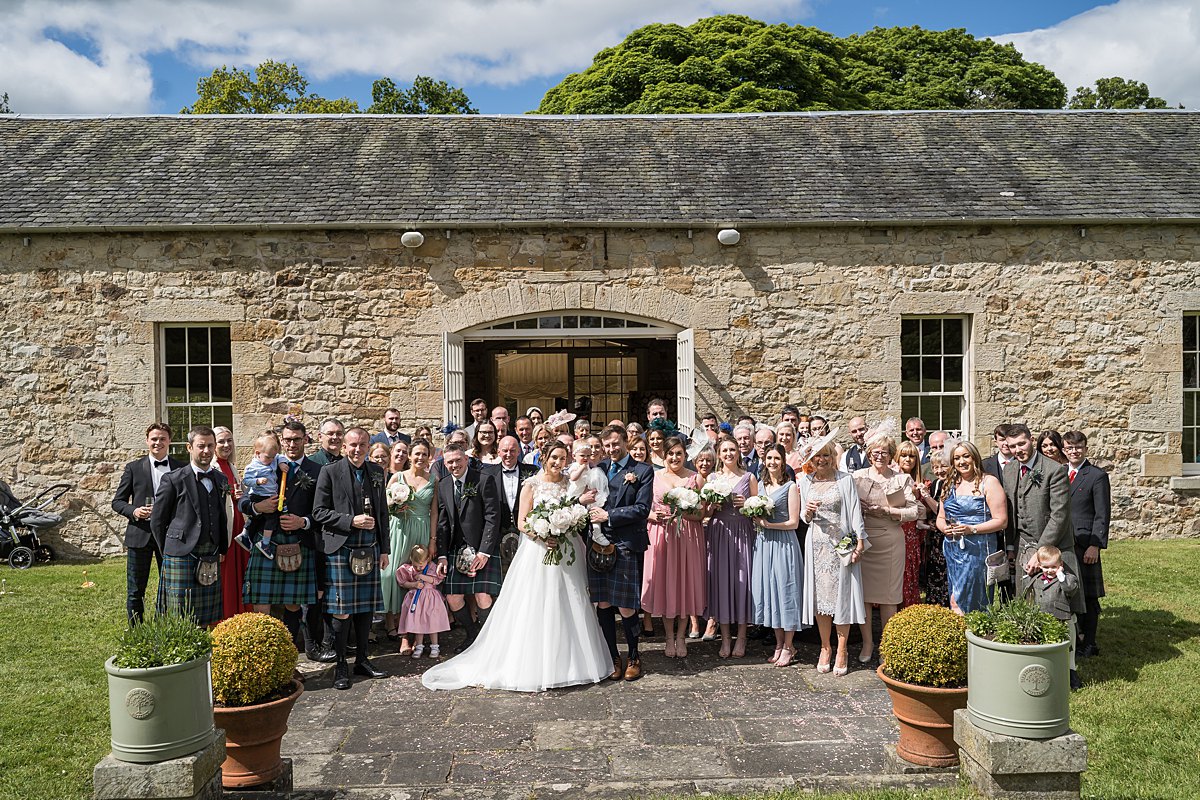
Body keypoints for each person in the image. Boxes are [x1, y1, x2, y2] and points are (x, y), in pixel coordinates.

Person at [422, 440, 613, 692]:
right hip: (538, 551)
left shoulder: (569, 483)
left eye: (562, 457)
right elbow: (522, 522)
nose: (558, 462)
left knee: (571, 602)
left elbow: (575, 511)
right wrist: (543, 533)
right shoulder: (532, 484)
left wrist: (569, 521)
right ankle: (536, 664)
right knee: (537, 605)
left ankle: (571, 664)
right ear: (544, 457)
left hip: (566, 550)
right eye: (553, 457)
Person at [313, 426, 391, 690]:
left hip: (369, 547)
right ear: (344, 447)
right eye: (353, 445)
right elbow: (319, 512)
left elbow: (383, 514)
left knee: (367, 607)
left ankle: (362, 660)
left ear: (369, 446)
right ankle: (341, 666)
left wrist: (384, 549)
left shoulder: (377, 472)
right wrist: (350, 520)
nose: (358, 450)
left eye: (363, 445)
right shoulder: (330, 472)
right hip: (341, 548)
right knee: (342, 611)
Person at [240, 420, 324, 661]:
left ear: (306, 440)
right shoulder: (266, 461)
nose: (291, 444)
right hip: (264, 541)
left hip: (298, 542)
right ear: (281, 441)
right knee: (261, 603)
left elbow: (322, 511)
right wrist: (257, 506)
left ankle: (288, 659)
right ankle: (264, 659)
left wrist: (303, 522)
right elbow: (243, 501)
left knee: (294, 605)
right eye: (287, 439)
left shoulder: (317, 471)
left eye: (297, 439)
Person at [588, 424, 655, 681]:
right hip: (598, 544)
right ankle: (613, 657)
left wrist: (610, 515)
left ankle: (635, 655)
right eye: (607, 446)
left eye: (615, 444)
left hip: (626, 544)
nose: (611, 449)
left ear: (625, 442)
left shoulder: (642, 470)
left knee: (627, 606)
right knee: (603, 602)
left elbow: (641, 508)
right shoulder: (599, 469)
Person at [1002, 424, 1084, 623]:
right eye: (1012, 446)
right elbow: (1012, 510)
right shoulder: (1010, 469)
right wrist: (1011, 546)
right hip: (1022, 543)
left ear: (1031, 440)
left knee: (1057, 601)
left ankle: (1065, 647)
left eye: (1022, 443)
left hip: (1053, 546)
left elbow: (1059, 515)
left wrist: (1041, 553)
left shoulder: (1054, 469)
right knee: (1026, 598)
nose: (1017, 450)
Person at [799, 441, 867, 676]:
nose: (822, 460)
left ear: (833, 457)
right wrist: (807, 511)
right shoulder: (805, 480)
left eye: (826, 455)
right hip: (816, 545)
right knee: (821, 599)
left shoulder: (845, 480)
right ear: (811, 460)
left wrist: (859, 542)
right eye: (817, 456)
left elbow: (856, 512)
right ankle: (825, 647)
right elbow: (803, 517)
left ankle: (842, 649)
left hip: (841, 544)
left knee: (842, 598)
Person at [150, 426, 229, 627]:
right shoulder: (173, 479)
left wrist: (221, 547)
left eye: (210, 445)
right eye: (201, 446)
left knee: (207, 617)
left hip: (210, 552)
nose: (206, 451)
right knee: (179, 615)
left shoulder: (221, 479)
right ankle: (177, 654)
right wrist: (169, 551)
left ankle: (203, 655)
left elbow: (221, 516)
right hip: (180, 553)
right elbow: (157, 520)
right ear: (189, 447)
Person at [853, 430, 919, 662]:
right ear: (869, 454)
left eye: (884, 452)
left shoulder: (901, 479)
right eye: (875, 452)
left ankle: (886, 645)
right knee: (863, 597)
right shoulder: (857, 477)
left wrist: (888, 511)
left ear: (891, 455)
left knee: (889, 597)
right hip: (864, 542)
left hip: (891, 540)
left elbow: (914, 511)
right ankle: (867, 643)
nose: (879, 456)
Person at [113, 422, 184, 624]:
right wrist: (134, 511)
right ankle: (136, 631)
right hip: (140, 534)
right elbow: (117, 502)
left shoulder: (181, 468)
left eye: (162, 438)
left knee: (170, 587)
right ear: (147, 441)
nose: (158, 442)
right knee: (136, 589)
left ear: (169, 441)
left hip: (171, 537)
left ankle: (164, 626)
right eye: (154, 439)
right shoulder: (134, 468)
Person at [642, 436, 706, 659]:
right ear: (664, 455)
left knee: (684, 585)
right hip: (661, 534)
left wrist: (684, 512)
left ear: (685, 455)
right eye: (671, 454)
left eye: (679, 453)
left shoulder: (695, 478)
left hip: (688, 536)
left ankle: (681, 635)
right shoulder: (654, 476)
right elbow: (643, 508)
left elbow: (701, 514)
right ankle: (668, 636)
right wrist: (653, 515)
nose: (675, 457)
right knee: (666, 585)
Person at [435, 444, 502, 654]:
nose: (454, 465)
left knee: (483, 596)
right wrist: (443, 555)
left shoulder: (483, 480)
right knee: (453, 597)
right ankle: (472, 635)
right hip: (456, 549)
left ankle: (488, 638)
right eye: (450, 462)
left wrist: (484, 551)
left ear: (466, 459)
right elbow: (443, 523)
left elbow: (493, 518)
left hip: (482, 547)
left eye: (458, 460)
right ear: (444, 464)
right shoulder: (444, 484)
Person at [938, 441, 1008, 614]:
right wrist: (943, 528)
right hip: (953, 548)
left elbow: (1001, 520)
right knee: (954, 596)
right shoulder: (949, 483)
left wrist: (972, 529)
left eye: (965, 456)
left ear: (974, 457)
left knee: (973, 596)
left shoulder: (989, 482)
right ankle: (959, 635)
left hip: (977, 550)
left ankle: (976, 633)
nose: (961, 461)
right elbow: (940, 517)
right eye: (957, 458)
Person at [382, 439, 438, 654]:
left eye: (424, 454)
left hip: (421, 532)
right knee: (394, 578)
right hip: (399, 530)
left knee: (417, 579)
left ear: (429, 456)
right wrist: (395, 505)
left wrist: (432, 540)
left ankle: (415, 635)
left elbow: (434, 512)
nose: (420, 458)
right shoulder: (397, 477)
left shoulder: (433, 480)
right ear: (409, 455)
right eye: (417, 454)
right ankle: (399, 631)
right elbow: (384, 507)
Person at [752, 445, 806, 667]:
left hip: (784, 544)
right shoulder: (761, 487)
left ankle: (789, 646)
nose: (772, 462)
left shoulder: (791, 486)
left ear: (783, 462)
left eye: (776, 458)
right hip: (764, 544)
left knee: (786, 591)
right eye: (769, 458)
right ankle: (778, 642)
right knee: (770, 592)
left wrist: (768, 524)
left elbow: (794, 522)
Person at [707, 436, 758, 659]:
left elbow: (759, 511)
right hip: (719, 533)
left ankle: (742, 636)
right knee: (722, 583)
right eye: (724, 450)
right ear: (719, 454)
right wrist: (711, 505)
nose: (729, 454)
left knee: (742, 582)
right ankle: (726, 637)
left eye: (732, 450)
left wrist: (746, 505)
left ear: (738, 452)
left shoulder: (749, 477)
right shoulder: (712, 477)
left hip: (743, 533)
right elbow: (705, 512)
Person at [1063, 431, 1109, 659]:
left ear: (1085, 448)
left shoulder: (1096, 476)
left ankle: (1089, 643)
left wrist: (1095, 545)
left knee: (1089, 596)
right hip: (1064, 542)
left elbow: (1102, 514)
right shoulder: (1060, 473)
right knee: (1069, 591)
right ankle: (1073, 638)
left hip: (1085, 544)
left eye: (1078, 447)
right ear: (1064, 450)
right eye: (1070, 448)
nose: (1074, 451)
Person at [484, 435, 538, 577]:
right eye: (505, 450)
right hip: (498, 531)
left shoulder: (533, 472)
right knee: (501, 576)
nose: (509, 454)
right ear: (499, 452)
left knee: (526, 573)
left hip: (526, 531)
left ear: (519, 451)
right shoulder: (486, 473)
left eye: (512, 450)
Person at [1029, 545, 1082, 690]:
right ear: (1040, 565)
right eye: (1046, 567)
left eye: (1054, 566)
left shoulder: (1067, 579)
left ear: (1061, 565)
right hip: (1043, 619)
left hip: (1062, 620)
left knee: (1067, 648)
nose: (1050, 570)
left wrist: (1060, 575)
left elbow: (1070, 589)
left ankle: (1071, 675)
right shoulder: (1037, 579)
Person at [233, 432, 289, 559]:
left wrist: (281, 463)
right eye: (269, 457)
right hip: (260, 498)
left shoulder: (275, 461)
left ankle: (248, 536)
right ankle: (261, 542)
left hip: (291, 539)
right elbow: (243, 501)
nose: (271, 460)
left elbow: (279, 457)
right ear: (258, 453)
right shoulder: (253, 467)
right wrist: (257, 507)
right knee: (267, 518)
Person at [212, 426, 248, 620]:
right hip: (225, 528)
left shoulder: (231, 466)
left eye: (229, 441)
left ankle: (240, 615)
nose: (226, 445)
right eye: (221, 441)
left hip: (238, 525)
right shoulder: (213, 467)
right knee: (226, 576)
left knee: (239, 573)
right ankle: (225, 617)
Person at [395, 544, 449, 659]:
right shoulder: (408, 569)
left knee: (432, 622)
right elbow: (403, 583)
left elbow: (436, 580)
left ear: (427, 560)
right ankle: (419, 646)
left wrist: (423, 577)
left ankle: (435, 646)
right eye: (416, 566)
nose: (418, 568)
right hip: (416, 600)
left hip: (430, 599)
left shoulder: (432, 567)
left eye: (421, 565)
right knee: (418, 622)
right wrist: (414, 584)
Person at [894, 441, 928, 608]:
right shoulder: (891, 479)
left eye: (912, 456)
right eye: (904, 455)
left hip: (912, 536)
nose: (908, 459)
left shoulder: (922, 483)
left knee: (910, 577)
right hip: (895, 533)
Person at [920, 451, 950, 606]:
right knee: (935, 572)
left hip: (949, 533)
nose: (939, 471)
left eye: (944, 466)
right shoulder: (938, 483)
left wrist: (926, 496)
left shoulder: (952, 483)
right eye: (935, 467)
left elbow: (941, 509)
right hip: (936, 535)